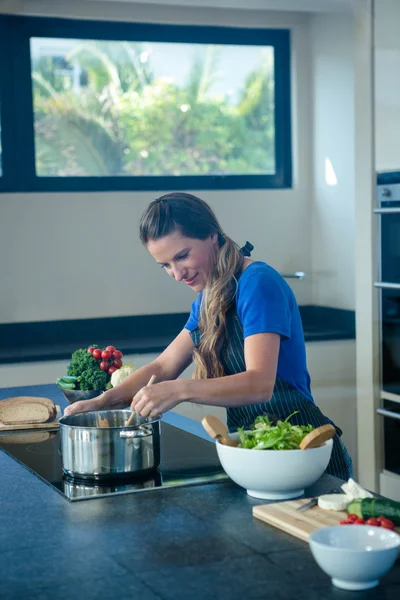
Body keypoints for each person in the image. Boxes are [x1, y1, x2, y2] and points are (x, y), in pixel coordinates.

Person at [65, 192, 353, 479]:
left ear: (212, 235)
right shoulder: (208, 298)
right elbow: (164, 367)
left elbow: (259, 384)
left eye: (182, 256)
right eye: (165, 265)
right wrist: (102, 403)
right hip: (255, 455)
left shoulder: (257, 283)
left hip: (304, 454)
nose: (177, 274)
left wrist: (178, 391)